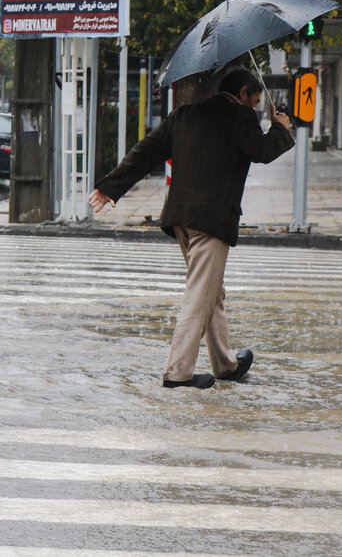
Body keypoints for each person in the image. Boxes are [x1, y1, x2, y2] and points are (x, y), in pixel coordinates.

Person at [89, 66, 295, 389]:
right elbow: (263, 151)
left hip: (181, 218)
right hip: (212, 222)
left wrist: (110, 187)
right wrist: (281, 128)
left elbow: (147, 151)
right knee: (200, 295)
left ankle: (225, 364)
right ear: (242, 94)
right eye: (255, 100)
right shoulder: (241, 117)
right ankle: (178, 372)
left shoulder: (185, 114)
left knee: (212, 292)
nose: (256, 107)